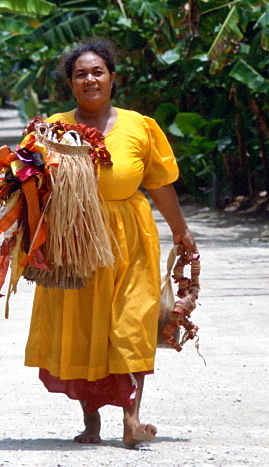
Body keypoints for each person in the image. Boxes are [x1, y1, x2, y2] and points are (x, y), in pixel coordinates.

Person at [23, 38, 198, 448]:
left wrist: (181, 230)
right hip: (76, 238)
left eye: (97, 72)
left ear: (113, 78)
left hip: (132, 236)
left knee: (133, 323)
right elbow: (31, 187)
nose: (90, 79)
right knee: (83, 326)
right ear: (70, 83)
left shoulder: (140, 126)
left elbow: (160, 182)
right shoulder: (53, 128)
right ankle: (91, 422)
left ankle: (132, 419)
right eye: (80, 74)